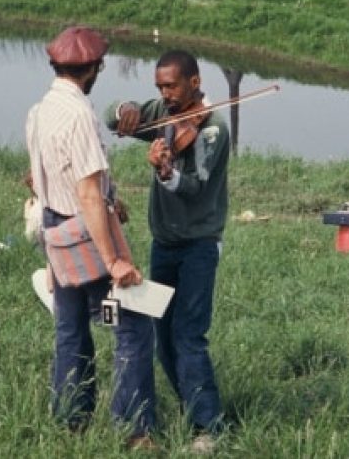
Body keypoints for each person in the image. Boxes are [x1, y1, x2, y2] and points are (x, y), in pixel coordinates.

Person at [25, 26, 157, 450]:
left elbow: (41, 182)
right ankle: (134, 429)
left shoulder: (41, 109)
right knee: (132, 323)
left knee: (70, 326)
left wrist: (108, 196)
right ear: (94, 68)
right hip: (85, 235)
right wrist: (115, 261)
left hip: (55, 228)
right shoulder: (80, 116)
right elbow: (86, 194)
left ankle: (71, 416)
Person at [106, 49, 229, 453]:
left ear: (194, 82)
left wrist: (166, 170)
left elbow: (195, 187)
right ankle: (189, 403)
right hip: (164, 243)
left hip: (198, 245)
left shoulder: (213, 130)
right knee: (163, 333)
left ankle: (209, 426)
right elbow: (115, 116)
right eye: (159, 86)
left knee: (189, 334)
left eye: (171, 86)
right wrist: (122, 109)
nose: (165, 94)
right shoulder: (162, 108)